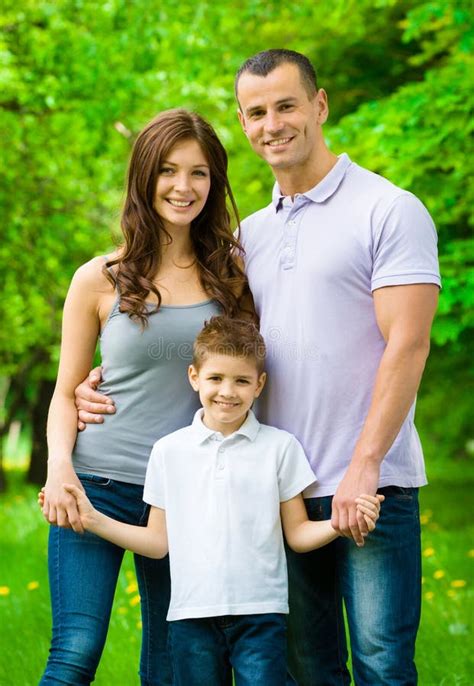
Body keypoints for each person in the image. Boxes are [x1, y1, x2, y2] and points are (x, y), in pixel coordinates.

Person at [74, 50, 441, 684]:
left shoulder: (389, 209)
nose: (272, 123)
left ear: (320, 106)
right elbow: (210, 347)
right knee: (304, 668)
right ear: (244, 125)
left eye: (286, 105)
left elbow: (408, 345)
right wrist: (93, 383)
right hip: (280, 490)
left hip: (369, 484)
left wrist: (366, 465)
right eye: (256, 112)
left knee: (382, 665)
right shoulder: (247, 241)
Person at [39, 109, 249, 686]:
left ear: (215, 181)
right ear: (144, 177)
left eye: (200, 173)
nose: (184, 187)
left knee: (176, 665)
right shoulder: (98, 278)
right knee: (75, 652)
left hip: (189, 492)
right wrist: (61, 469)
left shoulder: (230, 276)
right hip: (96, 485)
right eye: (169, 171)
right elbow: (65, 393)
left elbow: (249, 375)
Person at [61, 316, 383, 686]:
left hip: (262, 618)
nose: (227, 391)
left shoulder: (280, 448)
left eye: (241, 380)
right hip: (190, 618)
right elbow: (156, 543)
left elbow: (297, 534)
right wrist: (92, 518)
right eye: (215, 378)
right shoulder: (168, 451)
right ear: (194, 377)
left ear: (259, 384)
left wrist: (341, 522)